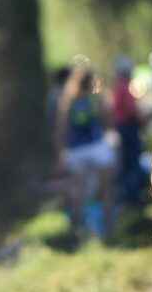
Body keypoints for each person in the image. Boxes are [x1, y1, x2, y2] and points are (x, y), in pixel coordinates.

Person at [54, 64, 116, 237]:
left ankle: (80, 229)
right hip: (96, 147)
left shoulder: (67, 101)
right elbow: (108, 120)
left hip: (76, 151)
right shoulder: (95, 99)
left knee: (79, 192)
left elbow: (61, 129)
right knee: (106, 189)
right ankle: (108, 226)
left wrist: (60, 152)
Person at [111, 56, 144, 204]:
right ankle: (133, 195)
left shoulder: (118, 87)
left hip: (123, 128)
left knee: (128, 162)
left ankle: (131, 193)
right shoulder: (124, 88)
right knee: (132, 161)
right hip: (128, 128)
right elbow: (131, 111)